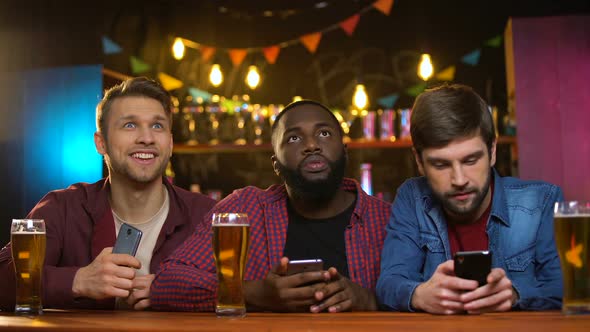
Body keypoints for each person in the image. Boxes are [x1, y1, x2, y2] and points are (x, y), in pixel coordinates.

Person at [151, 100, 391, 313]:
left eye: (324, 133)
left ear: (345, 151)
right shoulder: (245, 208)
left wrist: (369, 299)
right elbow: (166, 283)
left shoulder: (388, 219)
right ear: (276, 164)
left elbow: (422, 291)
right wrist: (252, 293)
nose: (311, 145)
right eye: (294, 138)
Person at [0, 77, 216, 311]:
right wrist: (78, 281)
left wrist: (178, 291)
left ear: (171, 143)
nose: (147, 138)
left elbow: (248, 289)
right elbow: (4, 281)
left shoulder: (205, 214)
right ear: (101, 143)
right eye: (130, 125)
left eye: (157, 126)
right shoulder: (62, 208)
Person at [376, 84, 563, 314]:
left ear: (492, 150)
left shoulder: (542, 200)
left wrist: (514, 295)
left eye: (471, 160)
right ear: (419, 161)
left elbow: (563, 288)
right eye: (441, 164)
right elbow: (388, 284)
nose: (459, 179)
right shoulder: (411, 198)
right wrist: (418, 295)